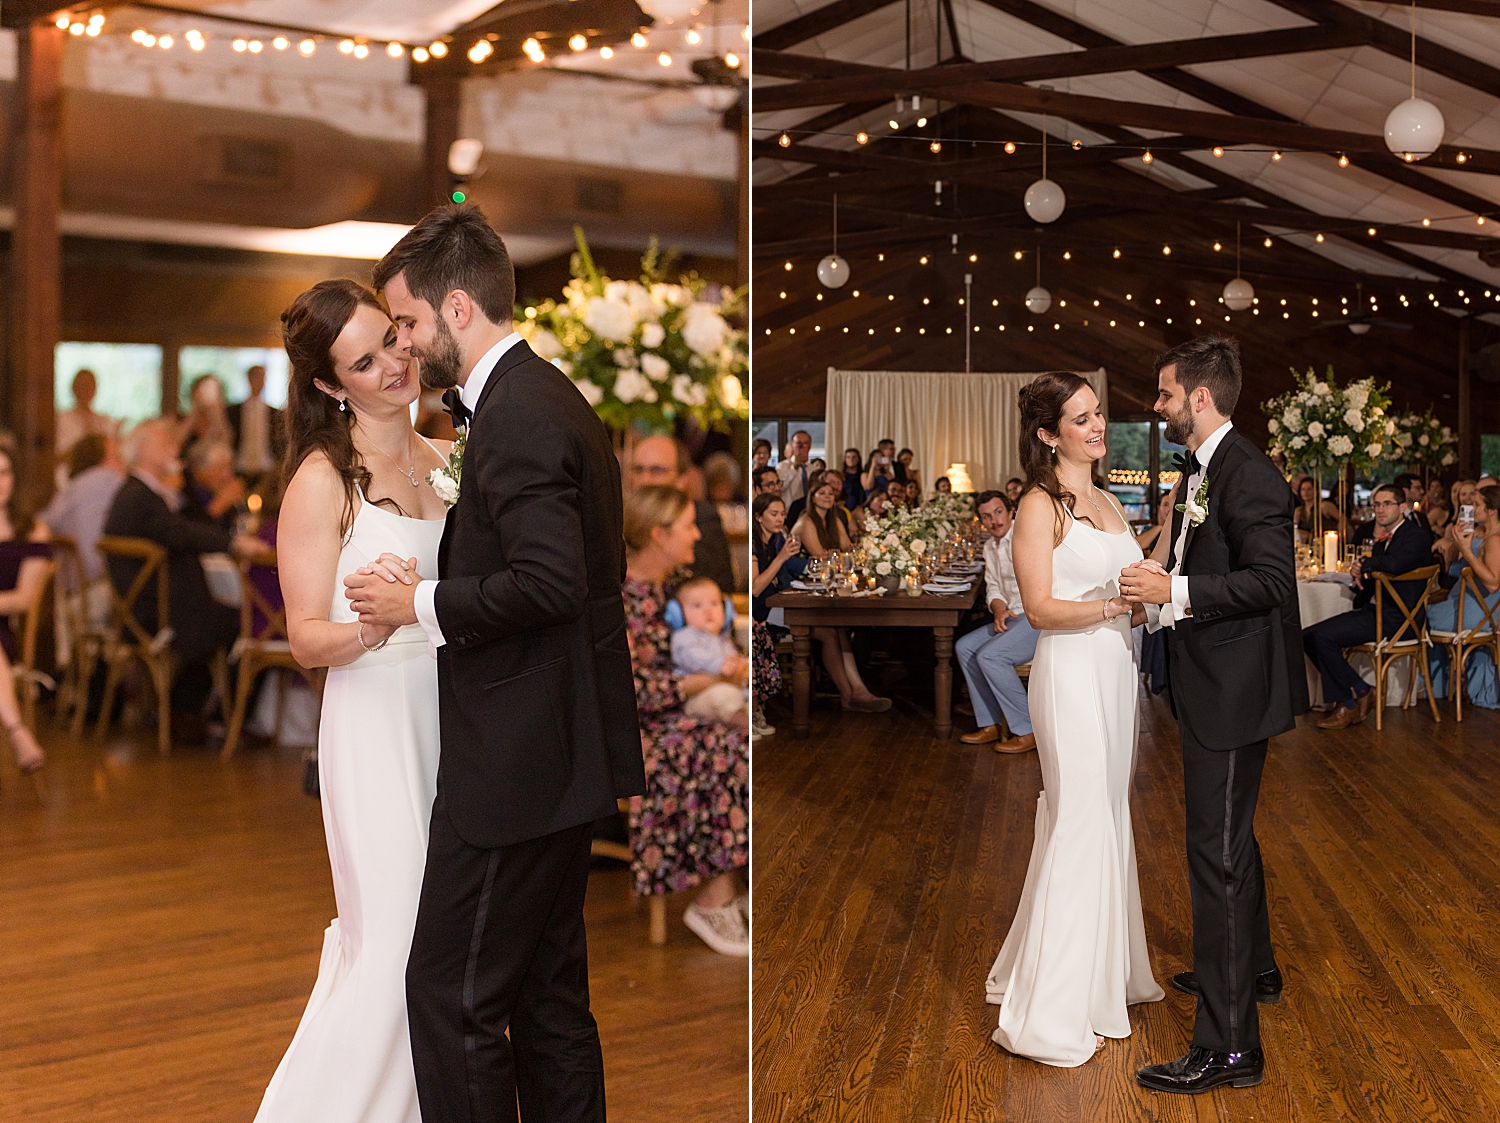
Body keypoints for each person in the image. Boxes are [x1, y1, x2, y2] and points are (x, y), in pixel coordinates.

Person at [344, 205, 646, 1123]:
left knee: (453, 993)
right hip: (562, 750)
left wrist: (419, 604)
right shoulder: (542, 398)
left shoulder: (516, 413)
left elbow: (550, 582)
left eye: (406, 322)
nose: (402, 343)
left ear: (458, 310)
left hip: (515, 765)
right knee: (547, 998)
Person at [254, 278, 452, 1123]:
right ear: (333, 386)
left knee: (440, 942)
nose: (393, 364)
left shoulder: (448, 461)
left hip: (451, 715)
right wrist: (374, 628)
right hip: (372, 719)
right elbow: (304, 638)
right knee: (395, 940)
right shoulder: (320, 480)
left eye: (393, 339)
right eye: (364, 361)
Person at [1119, 336, 1308, 1094]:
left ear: (1199, 398)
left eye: (1165, 395)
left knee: (1215, 855)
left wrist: (1177, 595)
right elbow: (1213, 562)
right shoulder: (1206, 468)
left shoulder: (1250, 474)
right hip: (1213, 680)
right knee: (1232, 841)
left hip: (1232, 691)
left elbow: (1270, 581)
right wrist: (1163, 578)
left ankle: (1231, 1048)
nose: (1157, 407)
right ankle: (1252, 967)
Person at [985, 371, 1162, 1068]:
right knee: (1081, 816)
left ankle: (1103, 977)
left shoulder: (1109, 501)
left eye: (1098, 415)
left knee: (1102, 816)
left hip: (1116, 669)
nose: (1096, 427)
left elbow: (1128, 588)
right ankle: (1049, 1013)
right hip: (1069, 672)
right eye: (1081, 418)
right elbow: (1038, 609)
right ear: (1047, 434)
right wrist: (1113, 606)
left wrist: (1147, 600)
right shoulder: (1040, 505)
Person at [620, 485, 748, 954]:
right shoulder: (624, 599)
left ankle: (738, 884)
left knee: (749, 734)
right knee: (726, 747)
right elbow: (629, 692)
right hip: (642, 729)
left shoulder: (674, 589)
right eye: (688, 526)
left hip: (682, 714)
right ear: (658, 534)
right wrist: (702, 681)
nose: (698, 534)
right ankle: (713, 900)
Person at [103, 418, 261, 738]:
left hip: (145, 608)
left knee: (225, 620)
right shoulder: (140, 496)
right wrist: (231, 543)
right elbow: (178, 532)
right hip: (153, 614)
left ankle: (185, 712)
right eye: (167, 444)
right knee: (245, 625)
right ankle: (201, 716)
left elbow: (183, 527)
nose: (175, 450)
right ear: (145, 450)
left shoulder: (139, 493)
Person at [1303, 483, 1434, 730]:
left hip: (1399, 619)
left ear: (1402, 507)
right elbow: (1378, 571)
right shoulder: (1382, 540)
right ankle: (1362, 689)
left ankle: (1348, 705)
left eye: (1387, 504)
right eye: (1377, 504)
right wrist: (1358, 576)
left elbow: (1396, 563)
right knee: (1307, 636)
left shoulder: (1416, 536)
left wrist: (1367, 564)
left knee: (1323, 638)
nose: (1380, 510)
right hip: (1374, 612)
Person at [957, 491, 1038, 753]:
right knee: (964, 647)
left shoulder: (1025, 537)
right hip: (1012, 615)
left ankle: (1027, 730)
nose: (994, 520)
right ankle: (990, 723)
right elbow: (993, 589)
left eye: (998, 512)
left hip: (1037, 616)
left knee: (991, 656)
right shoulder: (989, 547)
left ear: (1011, 510)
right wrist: (999, 609)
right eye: (986, 516)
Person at [631, 434, 736, 594]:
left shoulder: (702, 518)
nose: (645, 480)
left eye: (657, 470)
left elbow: (719, 586)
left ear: (682, 479)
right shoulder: (619, 519)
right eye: (638, 470)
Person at [1427, 484, 1500, 709]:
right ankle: (1443, 686)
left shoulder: (1496, 540)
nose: (1471, 507)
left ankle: (1429, 687)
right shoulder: (1477, 532)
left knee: (1419, 619)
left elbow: (1492, 583)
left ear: (1492, 510)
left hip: (1480, 610)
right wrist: (1458, 541)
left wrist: (1468, 552)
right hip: (1464, 601)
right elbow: (1450, 566)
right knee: (1424, 615)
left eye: (1477, 504)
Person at [670, 574, 749, 723]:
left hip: (729, 689)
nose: (708, 611)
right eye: (697, 606)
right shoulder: (684, 637)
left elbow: (733, 661)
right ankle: (743, 724)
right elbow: (695, 659)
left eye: (714, 603)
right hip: (698, 697)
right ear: (679, 614)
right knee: (724, 695)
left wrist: (741, 665)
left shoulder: (723, 638)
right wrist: (721, 665)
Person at [227, 363, 287, 482]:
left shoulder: (274, 412)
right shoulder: (233, 411)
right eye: (256, 377)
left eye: (262, 378)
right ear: (249, 379)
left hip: (267, 468)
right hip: (240, 467)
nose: (259, 382)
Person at [54, 368, 118, 462]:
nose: (86, 390)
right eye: (82, 385)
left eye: (90, 385)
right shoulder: (61, 419)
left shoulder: (104, 421)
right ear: (73, 387)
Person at [184, 441, 246, 532]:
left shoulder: (219, 490)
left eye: (230, 468)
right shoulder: (184, 493)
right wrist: (219, 505)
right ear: (198, 471)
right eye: (220, 469)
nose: (226, 475)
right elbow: (191, 534)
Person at [792, 479, 853, 559]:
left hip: (829, 567)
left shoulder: (835, 520)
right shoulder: (805, 522)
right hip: (804, 569)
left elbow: (849, 548)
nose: (827, 496)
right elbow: (819, 556)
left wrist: (834, 554)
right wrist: (837, 554)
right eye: (822, 493)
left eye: (831, 493)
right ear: (813, 498)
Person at [777, 429, 813, 512]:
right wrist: (794, 468)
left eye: (805, 443)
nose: (802, 446)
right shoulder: (782, 466)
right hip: (788, 512)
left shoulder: (813, 469)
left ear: (810, 446)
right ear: (792, 445)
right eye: (799, 443)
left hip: (809, 512)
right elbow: (780, 488)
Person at [1393, 471, 1431, 536]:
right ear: (1405, 491)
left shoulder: (1421, 517)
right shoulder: (1396, 518)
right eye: (1417, 488)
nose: (1422, 491)